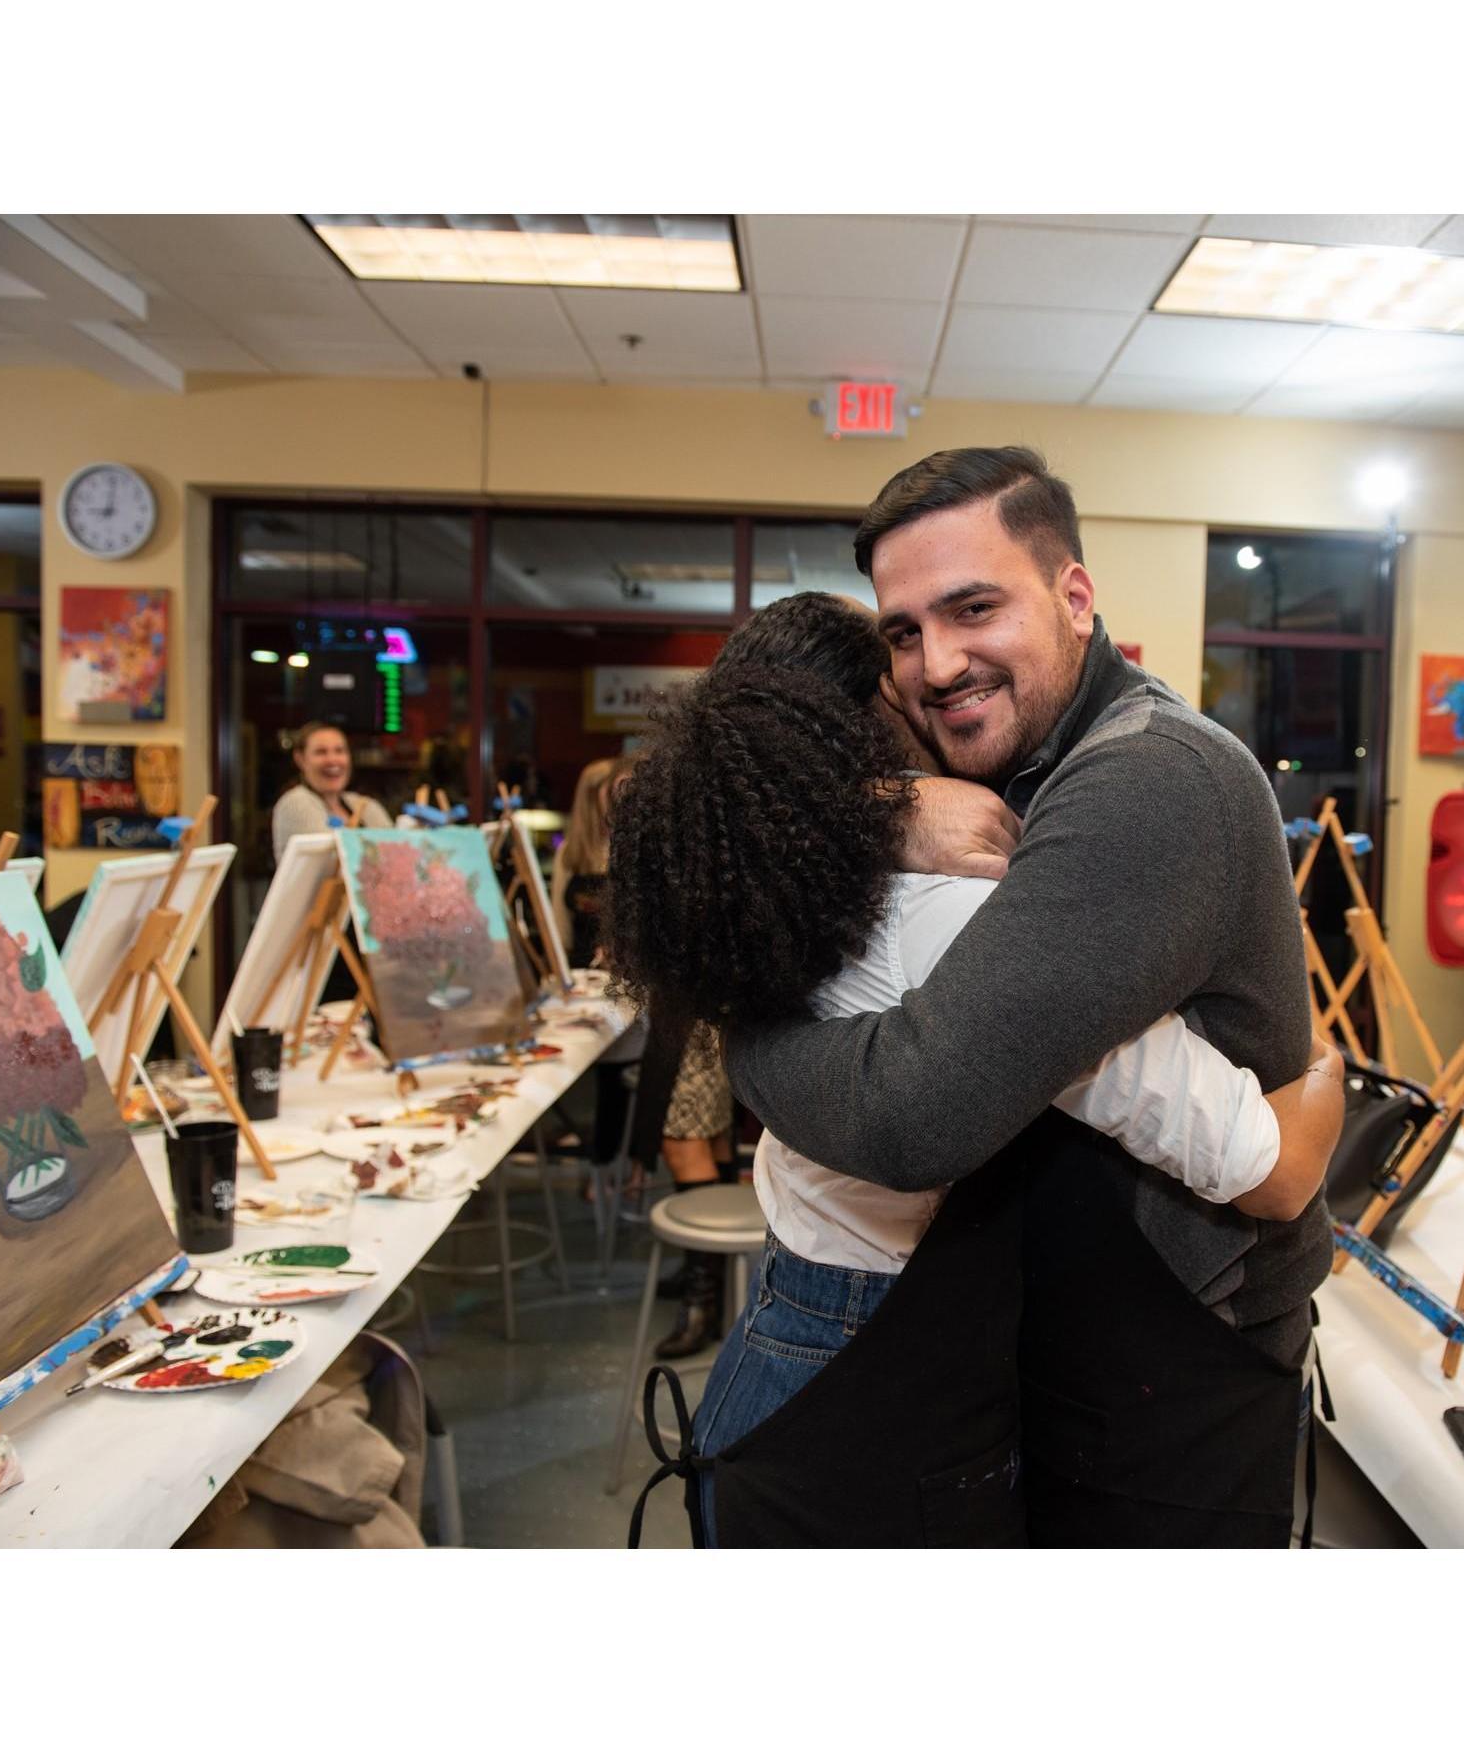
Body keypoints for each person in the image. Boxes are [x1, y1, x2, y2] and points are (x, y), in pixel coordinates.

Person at [606, 593, 1342, 1544]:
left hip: (786, 1336)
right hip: (876, 1374)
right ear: (878, 710)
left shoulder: (778, 888)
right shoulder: (946, 909)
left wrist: (879, 807)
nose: (939, 681)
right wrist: (1320, 1062)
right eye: (903, 657)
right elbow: (1266, 1166)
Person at [270, 721, 393, 863]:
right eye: (321, 752)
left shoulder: (365, 805)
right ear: (300, 759)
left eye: (339, 751)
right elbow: (334, 861)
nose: (332, 760)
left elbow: (397, 850)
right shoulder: (295, 803)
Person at [551, 758, 631, 972]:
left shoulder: (628, 849)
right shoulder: (569, 852)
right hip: (580, 975)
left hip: (619, 974)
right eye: (612, 791)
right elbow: (560, 924)